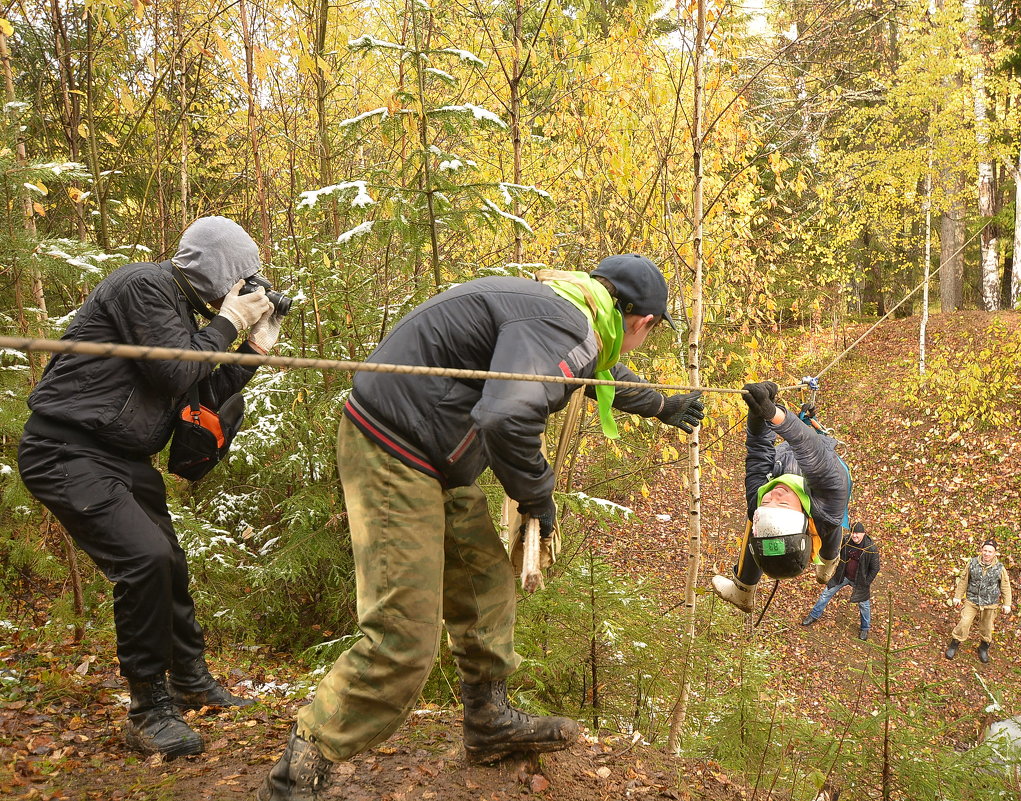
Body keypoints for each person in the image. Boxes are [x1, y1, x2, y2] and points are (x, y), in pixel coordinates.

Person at [258, 254, 705, 801]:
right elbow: (506, 415)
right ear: (643, 321)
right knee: (402, 636)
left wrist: (663, 403)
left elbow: (590, 370)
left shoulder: (563, 308)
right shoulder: (565, 322)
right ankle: (300, 772)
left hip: (431, 454)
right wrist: (537, 496)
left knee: (486, 582)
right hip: (396, 451)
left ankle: (488, 719)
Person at [17, 216, 284, 758]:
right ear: (219, 271)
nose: (247, 288)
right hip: (66, 449)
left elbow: (201, 387)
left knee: (170, 564)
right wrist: (230, 320)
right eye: (243, 278)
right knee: (145, 559)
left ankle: (188, 679)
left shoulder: (185, 313)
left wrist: (254, 347)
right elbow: (171, 372)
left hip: (126, 459)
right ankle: (147, 710)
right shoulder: (143, 284)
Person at [711, 381, 852, 614]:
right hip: (824, 492)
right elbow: (808, 446)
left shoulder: (759, 501)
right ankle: (829, 561)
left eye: (768, 503)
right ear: (802, 518)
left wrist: (758, 416)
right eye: (783, 504)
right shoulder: (829, 494)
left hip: (785, 464)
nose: (774, 494)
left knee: (758, 525)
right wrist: (773, 413)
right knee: (831, 523)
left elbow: (758, 450)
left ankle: (743, 590)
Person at [800, 521, 879, 640]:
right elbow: (838, 554)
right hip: (842, 576)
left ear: (863, 534)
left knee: (864, 605)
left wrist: (866, 582)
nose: (854, 536)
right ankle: (813, 616)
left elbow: (875, 568)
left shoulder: (870, 548)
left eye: (857, 533)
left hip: (860, 581)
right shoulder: (846, 540)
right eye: (853, 533)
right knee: (826, 594)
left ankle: (865, 628)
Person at [945, 538, 1012, 663]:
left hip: (990, 603)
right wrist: (958, 596)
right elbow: (964, 580)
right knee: (964, 622)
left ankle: (983, 648)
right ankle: (954, 644)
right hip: (972, 600)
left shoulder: (1000, 568)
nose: (987, 554)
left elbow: (1005, 586)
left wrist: (1007, 604)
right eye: (985, 550)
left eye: (990, 551)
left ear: (994, 553)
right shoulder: (972, 563)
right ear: (981, 550)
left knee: (987, 627)